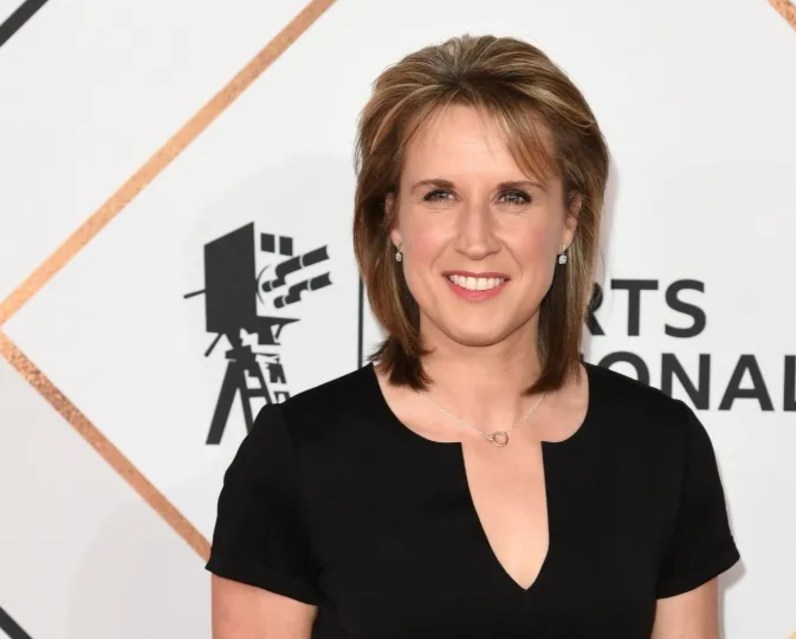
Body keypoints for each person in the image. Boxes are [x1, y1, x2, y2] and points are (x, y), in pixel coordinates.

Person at [205, 34, 740, 638]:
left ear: (569, 220)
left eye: (514, 196)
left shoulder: (662, 449)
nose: (477, 238)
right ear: (392, 219)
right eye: (440, 195)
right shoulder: (298, 457)